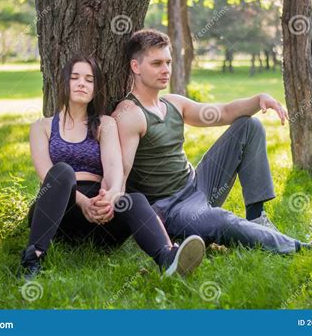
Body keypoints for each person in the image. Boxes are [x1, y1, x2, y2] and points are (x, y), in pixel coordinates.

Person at [112, 29, 312, 254]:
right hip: (172, 209)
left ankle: (256, 217)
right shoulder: (129, 114)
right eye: (157, 63)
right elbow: (121, 172)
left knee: (249, 125)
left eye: (168, 61)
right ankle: (305, 247)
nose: (166, 69)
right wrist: (138, 222)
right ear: (136, 67)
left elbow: (222, 112)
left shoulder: (173, 103)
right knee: (221, 220)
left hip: (199, 184)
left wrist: (258, 99)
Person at [20, 55, 205, 280]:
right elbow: (45, 173)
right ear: (64, 83)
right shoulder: (42, 127)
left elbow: (114, 170)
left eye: (89, 80)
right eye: (75, 77)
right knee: (62, 172)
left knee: (134, 199)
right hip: (58, 214)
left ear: (95, 87)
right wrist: (84, 202)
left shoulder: (105, 124)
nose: (81, 83)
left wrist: (109, 199)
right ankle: (33, 259)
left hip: (100, 218)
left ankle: (167, 258)